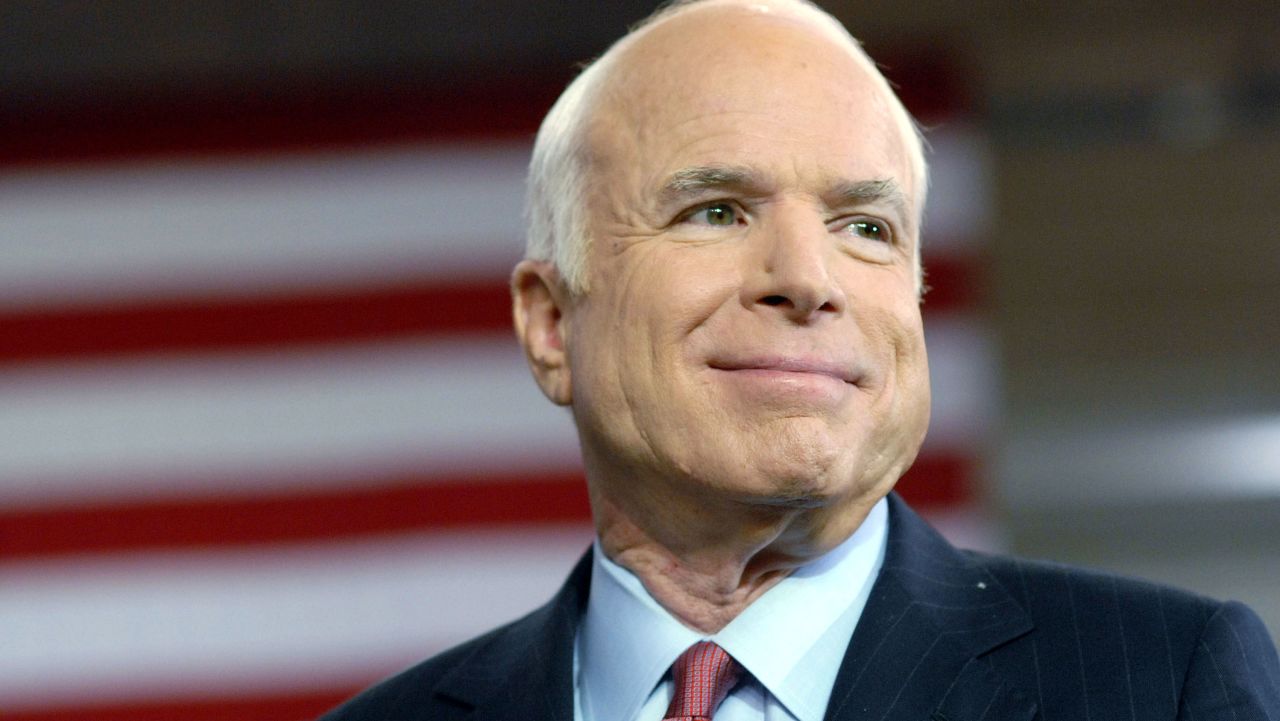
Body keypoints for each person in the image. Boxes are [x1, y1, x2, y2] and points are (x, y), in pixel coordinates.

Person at [321, 0, 1280, 719]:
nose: (806, 277)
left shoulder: (1164, 680)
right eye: (717, 210)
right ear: (548, 322)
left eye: (865, 225)